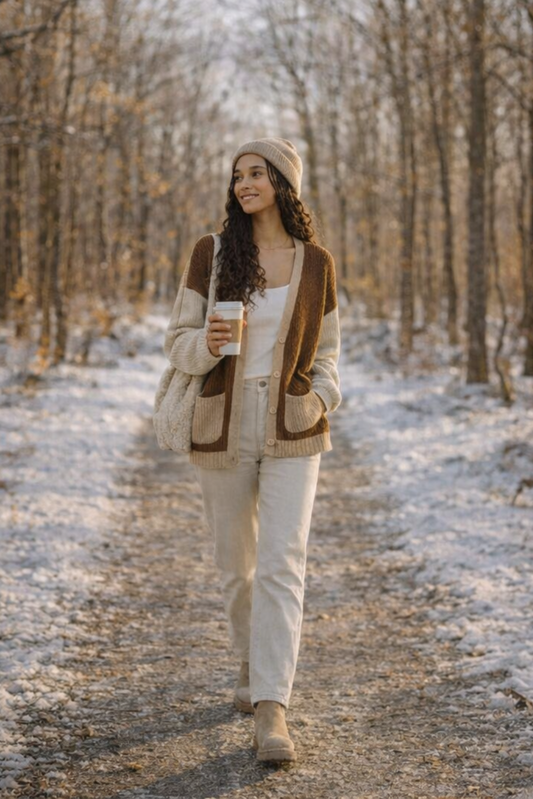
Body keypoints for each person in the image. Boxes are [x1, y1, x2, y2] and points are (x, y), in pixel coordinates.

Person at [163, 137, 342, 763]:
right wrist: (207, 347)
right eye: (237, 173)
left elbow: (328, 354)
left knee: (282, 563)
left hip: (292, 424)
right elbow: (177, 342)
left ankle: (273, 710)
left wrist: (319, 398)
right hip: (222, 423)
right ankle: (250, 659)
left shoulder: (316, 262)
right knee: (236, 566)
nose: (244, 183)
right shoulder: (210, 256)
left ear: (284, 183)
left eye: (257, 172)